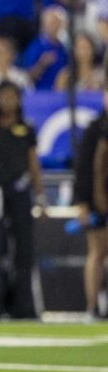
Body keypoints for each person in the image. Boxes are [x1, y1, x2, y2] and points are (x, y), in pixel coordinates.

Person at [0, 81, 44, 318]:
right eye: (3, 96)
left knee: (23, 248)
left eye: (12, 96)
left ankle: (23, 305)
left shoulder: (26, 128)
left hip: (20, 190)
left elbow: (33, 163)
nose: (7, 101)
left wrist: (40, 194)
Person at [76, 87, 108, 319]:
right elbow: (85, 167)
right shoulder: (95, 128)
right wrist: (85, 202)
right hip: (100, 200)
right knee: (97, 251)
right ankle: (92, 306)